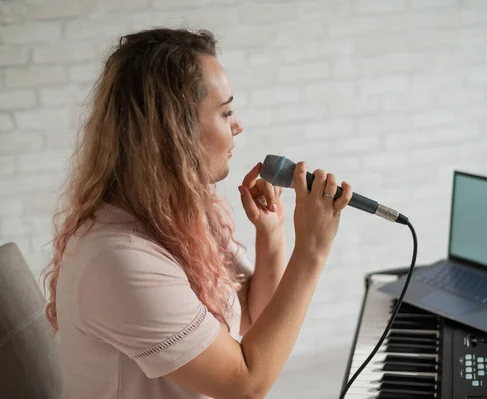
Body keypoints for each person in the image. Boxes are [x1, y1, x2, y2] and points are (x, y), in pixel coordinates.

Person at [42, 27, 353, 399]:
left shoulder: (185, 215)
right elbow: (246, 383)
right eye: (225, 113)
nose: (238, 125)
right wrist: (313, 250)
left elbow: (252, 322)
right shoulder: (115, 259)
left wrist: (271, 236)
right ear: (175, 132)